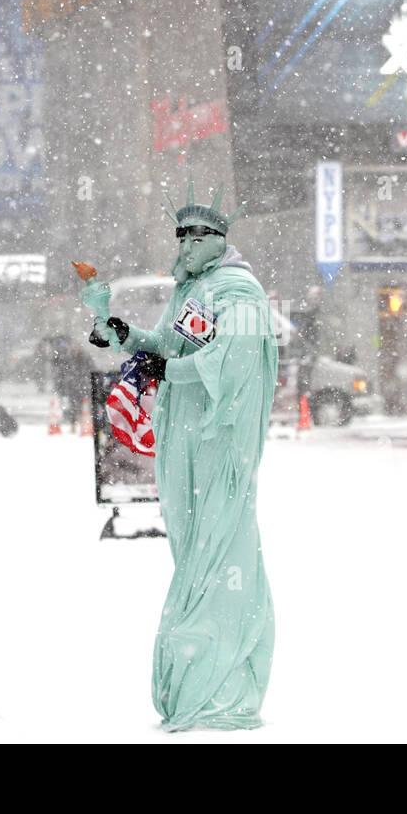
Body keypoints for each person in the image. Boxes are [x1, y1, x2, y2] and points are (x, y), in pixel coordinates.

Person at [85, 185, 276, 731]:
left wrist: (170, 372)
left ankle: (222, 684)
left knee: (220, 556)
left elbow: (233, 363)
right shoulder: (193, 291)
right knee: (195, 554)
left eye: (200, 236)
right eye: (182, 235)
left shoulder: (239, 293)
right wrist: (124, 333)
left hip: (220, 442)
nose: (188, 244)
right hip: (184, 438)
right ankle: (198, 673)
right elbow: (170, 344)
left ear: (220, 241)